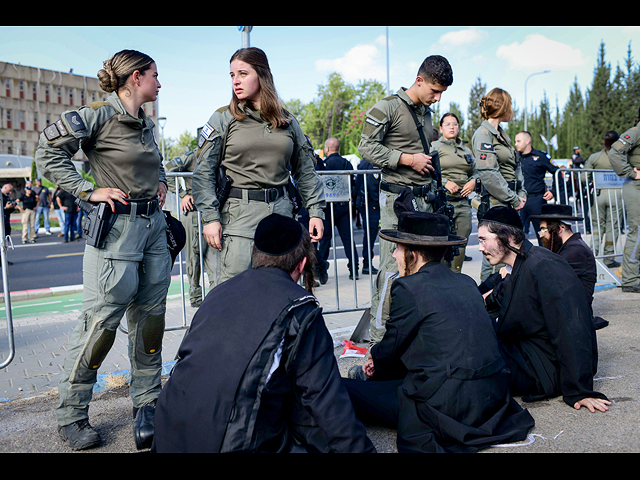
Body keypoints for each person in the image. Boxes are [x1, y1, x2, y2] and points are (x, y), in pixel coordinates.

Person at [35, 49, 171, 451]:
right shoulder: (96, 116)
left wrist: (161, 180)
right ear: (135, 78)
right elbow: (46, 152)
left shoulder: (144, 123)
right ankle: (72, 415)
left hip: (153, 231)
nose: (159, 84)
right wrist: (86, 190)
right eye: (154, 75)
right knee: (99, 327)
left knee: (150, 324)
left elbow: (151, 163)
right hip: (116, 233)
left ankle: (147, 406)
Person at [152, 213, 375, 453]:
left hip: (168, 434)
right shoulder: (300, 308)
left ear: (255, 255)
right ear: (301, 264)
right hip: (228, 442)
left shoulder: (219, 292)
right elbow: (325, 398)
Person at [342, 210, 535, 453]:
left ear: (412, 254)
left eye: (397, 249)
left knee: (340, 388)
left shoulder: (408, 286)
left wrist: (375, 359)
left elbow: (392, 346)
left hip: (447, 404)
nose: (393, 255)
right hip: (491, 398)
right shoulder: (464, 281)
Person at [192, 47, 325, 285]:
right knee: (233, 292)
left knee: (280, 288)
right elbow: (203, 173)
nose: (236, 81)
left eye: (243, 73)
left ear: (262, 75)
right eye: (232, 75)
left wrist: (315, 211)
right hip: (238, 221)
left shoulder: (288, 121)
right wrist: (210, 219)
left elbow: (305, 171)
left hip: (281, 216)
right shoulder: (224, 118)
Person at [358, 54, 454, 346]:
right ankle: (379, 340)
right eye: (434, 91)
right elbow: (365, 147)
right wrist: (407, 159)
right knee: (392, 268)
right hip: (398, 200)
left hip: (424, 200)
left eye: (441, 93)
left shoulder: (426, 112)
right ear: (419, 80)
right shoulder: (388, 107)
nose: (437, 98)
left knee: (422, 267)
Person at [479, 207, 611, 413]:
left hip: (543, 368)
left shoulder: (545, 265)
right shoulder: (521, 264)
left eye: (483, 239)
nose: (480, 248)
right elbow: (493, 298)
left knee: (476, 365)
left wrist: (579, 389)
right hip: (526, 354)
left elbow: (572, 329)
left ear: (506, 237)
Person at [472, 88, 526, 282]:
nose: (512, 109)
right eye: (510, 105)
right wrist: (513, 197)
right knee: (494, 254)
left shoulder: (502, 135)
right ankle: (488, 300)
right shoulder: (484, 134)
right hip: (496, 201)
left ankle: (504, 297)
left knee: (508, 253)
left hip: (509, 199)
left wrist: (521, 192)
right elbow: (488, 173)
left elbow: (516, 166)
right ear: (502, 106)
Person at [531, 203, 608, 330]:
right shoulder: (565, 247)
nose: (540, 234)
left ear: (559, 229)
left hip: (574, 316)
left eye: (544, 229)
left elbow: (547, 279)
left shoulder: (574, 251)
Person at [165, 150, 217, 307]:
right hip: (194, 213)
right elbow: (167, 170)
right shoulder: (193, 156)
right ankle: (196, 299)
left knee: (215, 262)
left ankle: (216, 299)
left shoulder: (220, 155)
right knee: (194, 260)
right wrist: (182, 194)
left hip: (213, 215)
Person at [432, 112, 479, 272]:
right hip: (442, 203)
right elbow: (426, 172)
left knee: (461, 244)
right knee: (441, 246)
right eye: (448, 124)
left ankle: (455, 278)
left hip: (463, 204)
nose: (452, 127)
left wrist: (473, 181)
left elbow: (477, 171)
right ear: (441, 128)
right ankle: (441, 280)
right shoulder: (434, 147)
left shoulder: (465, 150)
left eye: (455, 124)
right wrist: (445, 182)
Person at [316, 138, 359, 280]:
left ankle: (321, 271)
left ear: (327, 149)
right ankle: (354, 270)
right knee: (348, 239)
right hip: (344, 207)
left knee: (325, 239)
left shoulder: (324, 165)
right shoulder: (347, 164)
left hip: (328, 208)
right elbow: (353, 184)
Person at [608, 109, 640, 293]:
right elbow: (615, 153)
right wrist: (632, 173)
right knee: (637, 233)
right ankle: (629, 279)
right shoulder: (636, 131)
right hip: (636, 187)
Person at [584, 131, 622, 268]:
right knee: (613, 226)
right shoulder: (621, 157)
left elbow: (584, 177)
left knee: (597, 225)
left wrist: (591, 183)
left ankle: (591, 255)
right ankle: (609, 258)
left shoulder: (595, 157)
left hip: (599, 194)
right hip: (617, 193)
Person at [514, 131, 559, 244]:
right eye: (515, 141)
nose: (516, 144)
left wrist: (553, 191)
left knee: (543, 235)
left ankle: (545, 259)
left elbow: (558, 173)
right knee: (515, 235)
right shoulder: (514, 157)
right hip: (518, 200)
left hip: (537, 200)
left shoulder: (540, 156)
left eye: (518, 141)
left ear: (527, 141)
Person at [355, 157, 380, 276]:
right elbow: (373, 183)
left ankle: (366, 262)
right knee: (371, 233)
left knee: (368, 233)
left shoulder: (363, 162)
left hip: (363, 201)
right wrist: (377, 202)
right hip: (370, 203)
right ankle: (367, 263)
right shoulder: (374, 162)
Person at [2, 184, 16, 265]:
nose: (10, 192)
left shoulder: (6, 197)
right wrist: (5, 208)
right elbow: (3, 209)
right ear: (5, 188)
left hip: (6, 222)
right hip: (1, 223)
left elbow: (8, 211)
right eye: (9, 190)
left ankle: (4, 260)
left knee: (5, 243)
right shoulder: (0, 196)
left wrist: (11, 207)